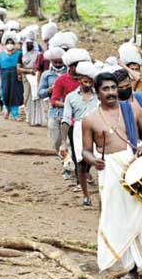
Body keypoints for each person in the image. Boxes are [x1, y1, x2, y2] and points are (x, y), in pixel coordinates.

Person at [81, 72, 142, 279]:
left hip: (135, 167)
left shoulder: (131, 109)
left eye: (113, 88)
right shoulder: (90, 119)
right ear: (97, 93)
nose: (110, 92)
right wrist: (95, 161)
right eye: (105, 89)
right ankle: (131, 269)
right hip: (109, 170)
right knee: (119, 217)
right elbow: (86, 152)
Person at [60, 61, 99, 206]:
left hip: (97, 129)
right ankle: (85, 195)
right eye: (85, 80)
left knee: (100, 160)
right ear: (79, 79)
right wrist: (64, 142)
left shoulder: (98, 96)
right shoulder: (71, 97)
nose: (87, 83)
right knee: (81, 163)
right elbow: (66, 120)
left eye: (90, 80)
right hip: (79, 130)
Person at [53, 47, 90, 179]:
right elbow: (54, 100)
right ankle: (78, 176)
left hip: (88, 120)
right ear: (71, 66)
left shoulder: (90, 80)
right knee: (75, 149)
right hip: (71, 121)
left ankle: (85, 173)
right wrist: (70, 106)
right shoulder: (61, 80)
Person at [38, 47, 67, 155]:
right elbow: (40, 93)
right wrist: (48, 91)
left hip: (67, 112)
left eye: (60, 62)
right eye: (56, 62)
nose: (58, 64)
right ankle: (64, 160)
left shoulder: (69, 74)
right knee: (56, 142)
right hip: (53, 112)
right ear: (51, 61)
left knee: (68, 142)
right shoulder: (46, 75)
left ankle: (67, 167)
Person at [19, 26, 46, 126]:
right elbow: (18, 68)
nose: (29, 44)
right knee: (27, 96)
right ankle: (29, 117)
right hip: (26, 77)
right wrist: (28, 71)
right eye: (28, 42)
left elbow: (42, 64)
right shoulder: (21, 53)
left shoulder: (38, 52)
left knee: (37, 97)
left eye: (31, 42)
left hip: (37, 76)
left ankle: (38, 119)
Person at [0, 31, 24, 121]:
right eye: (8, 42)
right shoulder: (1, 55)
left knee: (16, 94)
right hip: (5, 77)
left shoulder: (19, 53)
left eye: (11, 43)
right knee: (5, 94)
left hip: (16, 77)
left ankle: (15, 114)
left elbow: (22, 65)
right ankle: (7, 110)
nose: (10, 44)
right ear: (5, 43)